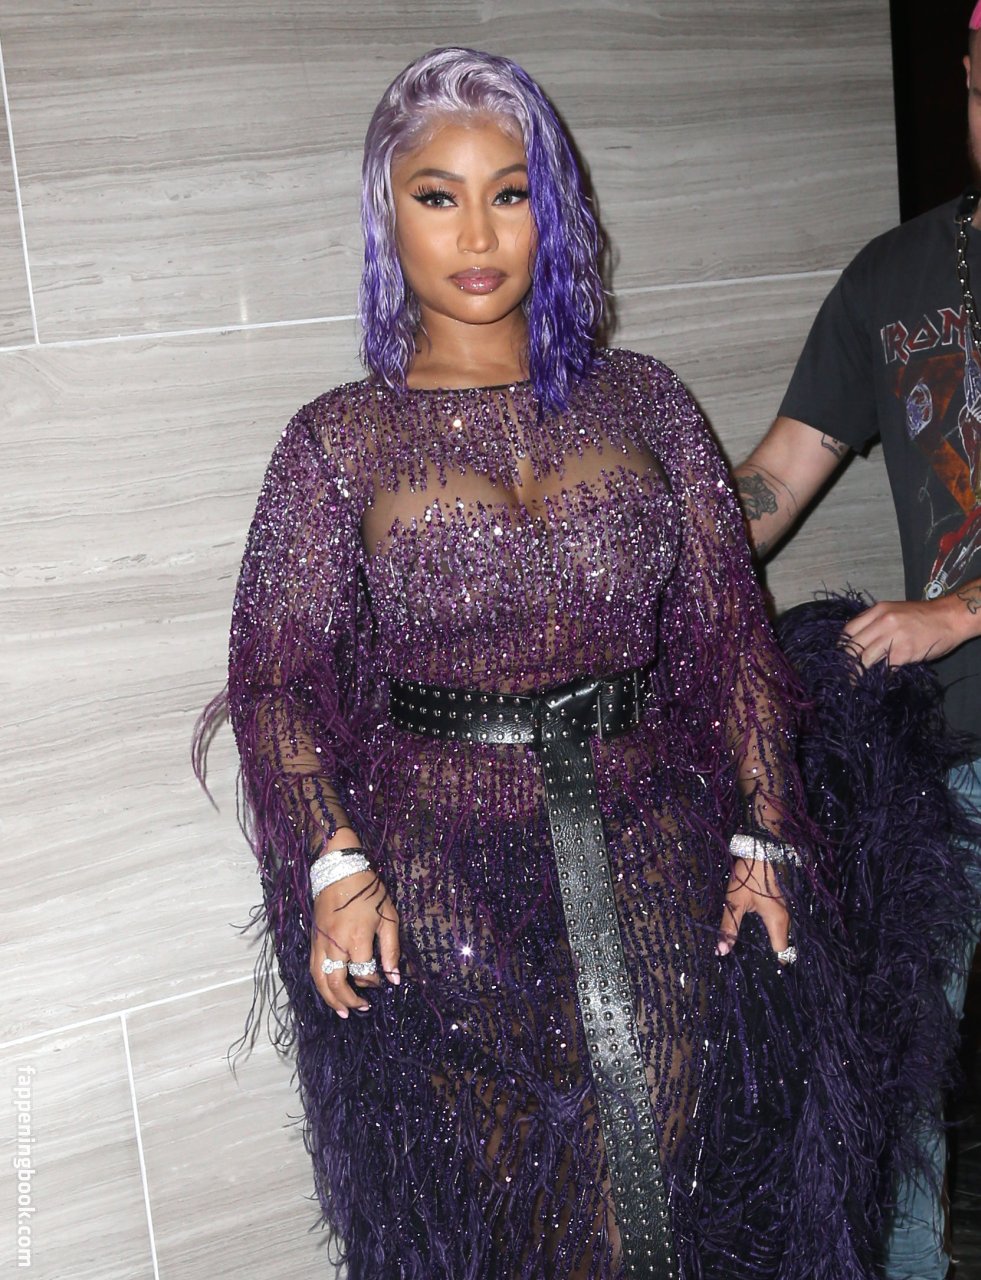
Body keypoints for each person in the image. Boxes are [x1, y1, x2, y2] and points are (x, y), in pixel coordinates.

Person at [204, 47, 897, 1280]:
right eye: (437, 194)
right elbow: (273, 677)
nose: (478, 233)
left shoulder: (647, 400)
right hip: (440, 861)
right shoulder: (338, 439)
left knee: (666, 1182)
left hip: (654, 832)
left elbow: (733, 633)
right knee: (516, 1202)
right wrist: (333, 859)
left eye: (511, 193)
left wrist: (767, 828)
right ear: (387, 214)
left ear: (553, 211)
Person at [734, 10, 981, 1279]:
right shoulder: (894, 278)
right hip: (950, 760)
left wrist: (962, 609)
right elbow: (777, 478)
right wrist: (649, 545)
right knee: (898, 1092)